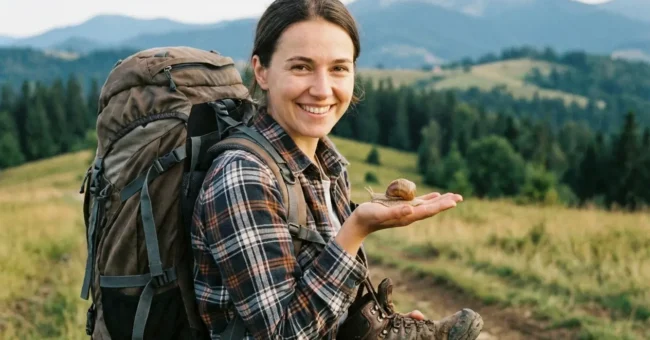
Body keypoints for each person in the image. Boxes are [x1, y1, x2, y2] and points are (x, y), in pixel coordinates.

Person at [190, 0, 466, 338]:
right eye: (302, 67)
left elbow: (320, 312)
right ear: (261, 71)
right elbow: (284, 334)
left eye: (338, 68)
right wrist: (356, 229)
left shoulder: (325, 165)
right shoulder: (244, 176)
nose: (322, 90)